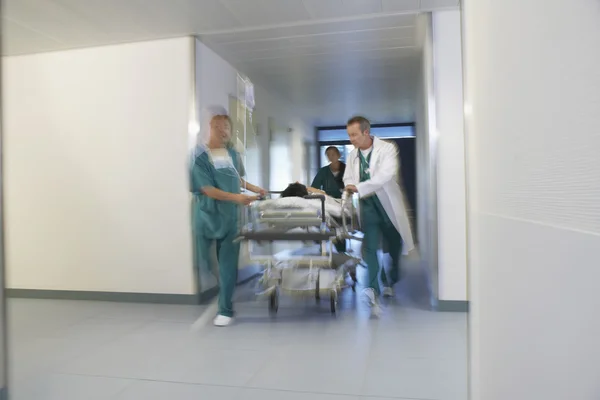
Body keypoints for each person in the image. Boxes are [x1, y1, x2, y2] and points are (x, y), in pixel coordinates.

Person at [190, 105, 265, 327]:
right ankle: (218, 289)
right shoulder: (200, 157)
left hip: (230, 216)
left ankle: (225, 308)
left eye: (227, 127)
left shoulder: (233, 154)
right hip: (207, 215)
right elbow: (207, 189)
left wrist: (254, 188)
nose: (224, 131)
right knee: (203, 262)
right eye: (218, 127)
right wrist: (237, 198)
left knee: (228, 265)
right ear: (209, 129)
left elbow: (237, 178)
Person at [343, 116, 415, 316]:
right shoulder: (352, 155)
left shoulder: (387, 149)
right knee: (370, 248)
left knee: (393, 248)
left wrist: (358, 186)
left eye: (354, 135)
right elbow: (347, 177)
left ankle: (390, 278)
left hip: (388, 206)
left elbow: (386, 175)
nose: (351, 139)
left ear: (366, 132)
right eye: (349, 135)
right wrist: (350, 185)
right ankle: (373, 294)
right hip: (368, 206)